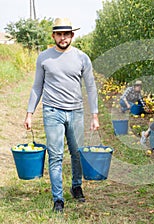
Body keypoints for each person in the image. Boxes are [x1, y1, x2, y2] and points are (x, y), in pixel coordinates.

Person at [24, 18, 99, 212]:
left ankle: (76, 186)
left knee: (76, 153)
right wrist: (29, 113)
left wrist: (95, 115)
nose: (63, 38)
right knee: (55, 156)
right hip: (52, 111)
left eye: (67, 34)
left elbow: (91, 87)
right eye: (59, 34)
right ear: (53, 36)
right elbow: (37, 86)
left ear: (72, 35)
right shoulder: (44, 57)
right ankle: (58, 198)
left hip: (76, 111)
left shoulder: (82, 58)